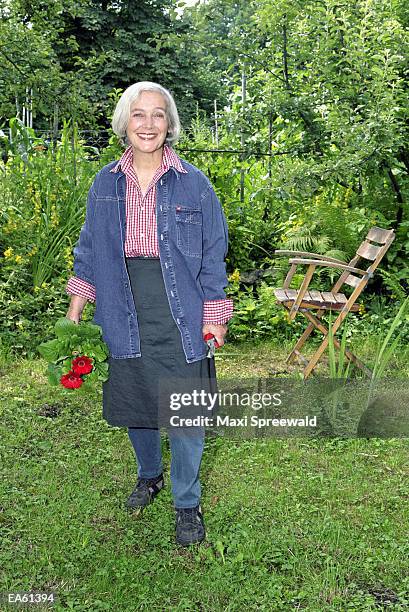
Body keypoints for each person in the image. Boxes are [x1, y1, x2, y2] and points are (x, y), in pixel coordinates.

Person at [65, 81, 233, 546]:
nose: (148, 124)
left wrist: (215, 314)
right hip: (121, 303)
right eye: (139, 114)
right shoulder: (105, 182)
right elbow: (91, 248)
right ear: (125, 123)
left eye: (158, 115)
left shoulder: (194, 183)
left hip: (181, 306)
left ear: (170, 124)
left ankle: (186, 501)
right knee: (135, 400)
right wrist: (76, 309)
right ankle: (149, 474)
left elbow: (214, 252)